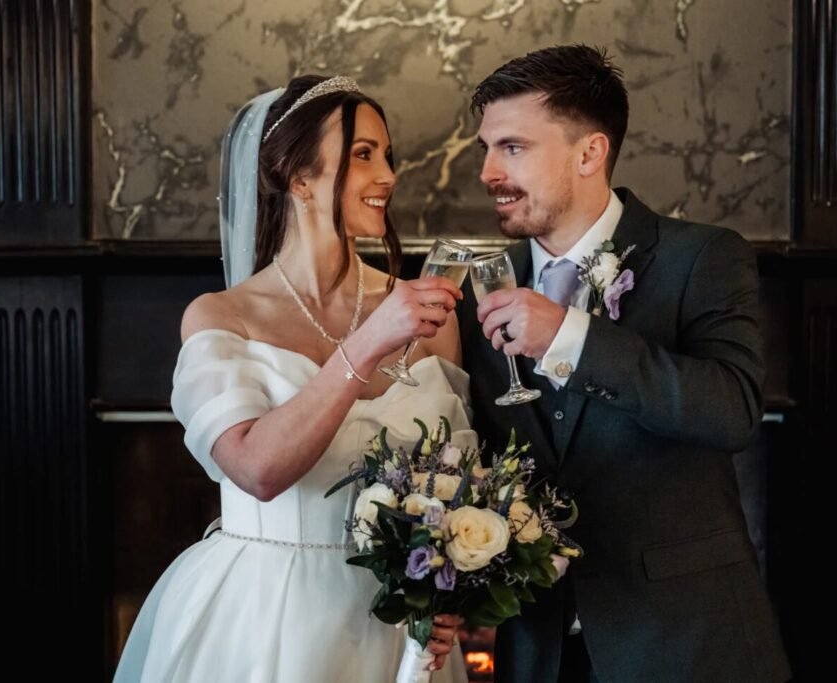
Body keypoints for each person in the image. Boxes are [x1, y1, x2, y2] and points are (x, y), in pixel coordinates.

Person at [115, 75, 470, 682]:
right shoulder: (221, 317)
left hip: (395, 632)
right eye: (363, 156)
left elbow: (457, 484)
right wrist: (367, 343)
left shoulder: (426, 315)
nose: (387, 176)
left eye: (388, 157)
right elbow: (257, 470)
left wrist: (452, 591)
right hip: (265, 617)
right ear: (296, 177)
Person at [459, 45, 791, 682]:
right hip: (539, 651)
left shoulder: (702, 258)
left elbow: (733, 411)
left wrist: (574, 338)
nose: (488, 171)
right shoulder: (479, 289)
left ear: (590, 152)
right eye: (486, 148)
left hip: (682, 645)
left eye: (513, 147)